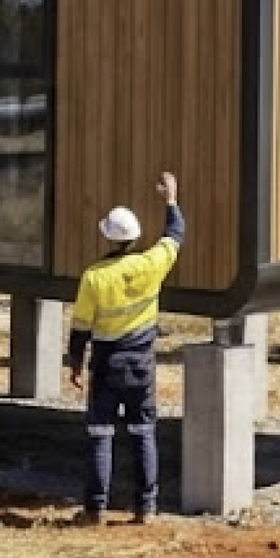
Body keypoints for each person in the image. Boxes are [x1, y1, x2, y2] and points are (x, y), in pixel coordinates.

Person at [64, 170, 183, 524]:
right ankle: (146, 508)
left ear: (107, 237)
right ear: (134, 238)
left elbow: (81, 326)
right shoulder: (152, 263)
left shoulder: (94, 277)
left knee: (101, 435)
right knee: (143, 433)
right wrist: (171, 199)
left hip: (105, 364)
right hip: (141, 363)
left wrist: (74, 364)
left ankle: (95, 510)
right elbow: (175, 235)